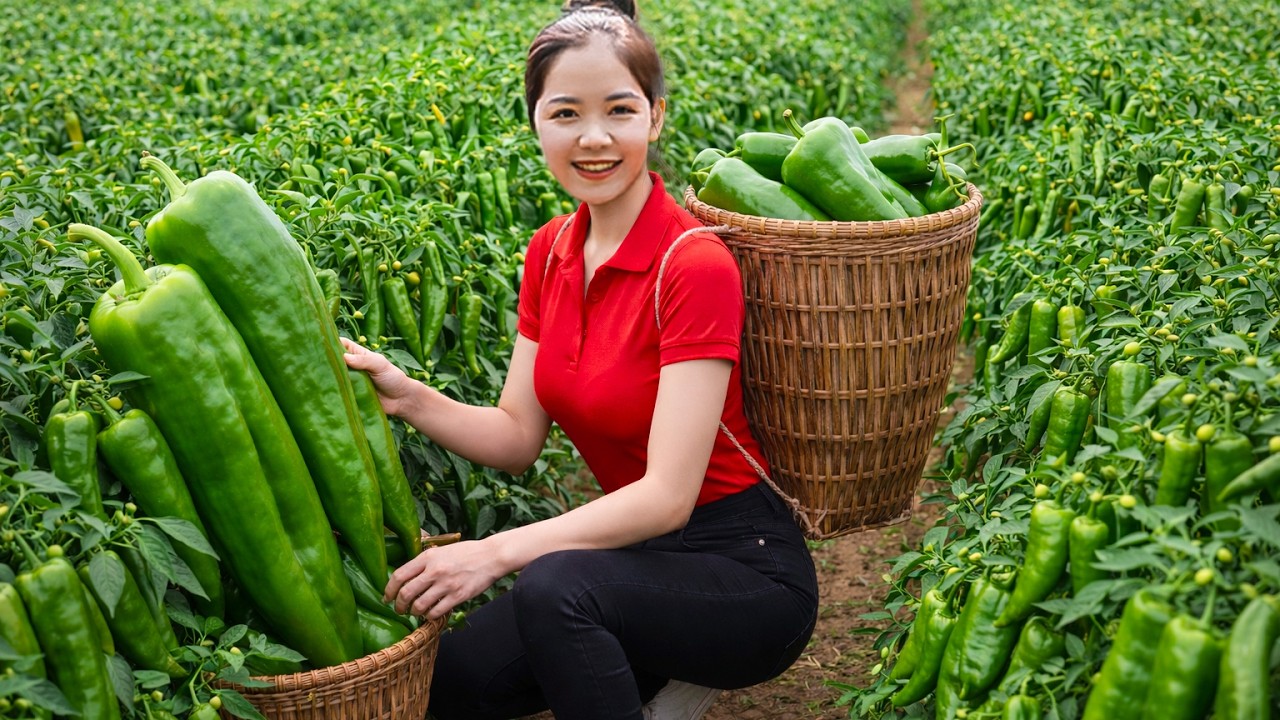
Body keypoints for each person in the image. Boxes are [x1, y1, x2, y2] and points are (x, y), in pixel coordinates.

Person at [341, 1, 818, 717]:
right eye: (565, 114)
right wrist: (405, 393)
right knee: (454, 684)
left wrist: (497, 551)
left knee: (554, 588)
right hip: (639, 562)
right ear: (535, 121)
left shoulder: (693, 263)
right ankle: (647, 665)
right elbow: (515, 436)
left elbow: (667, 496)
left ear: (654, 118)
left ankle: (654, 666)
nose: (593, 138)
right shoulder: (549, 251)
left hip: (742, 568)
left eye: (619, 111)